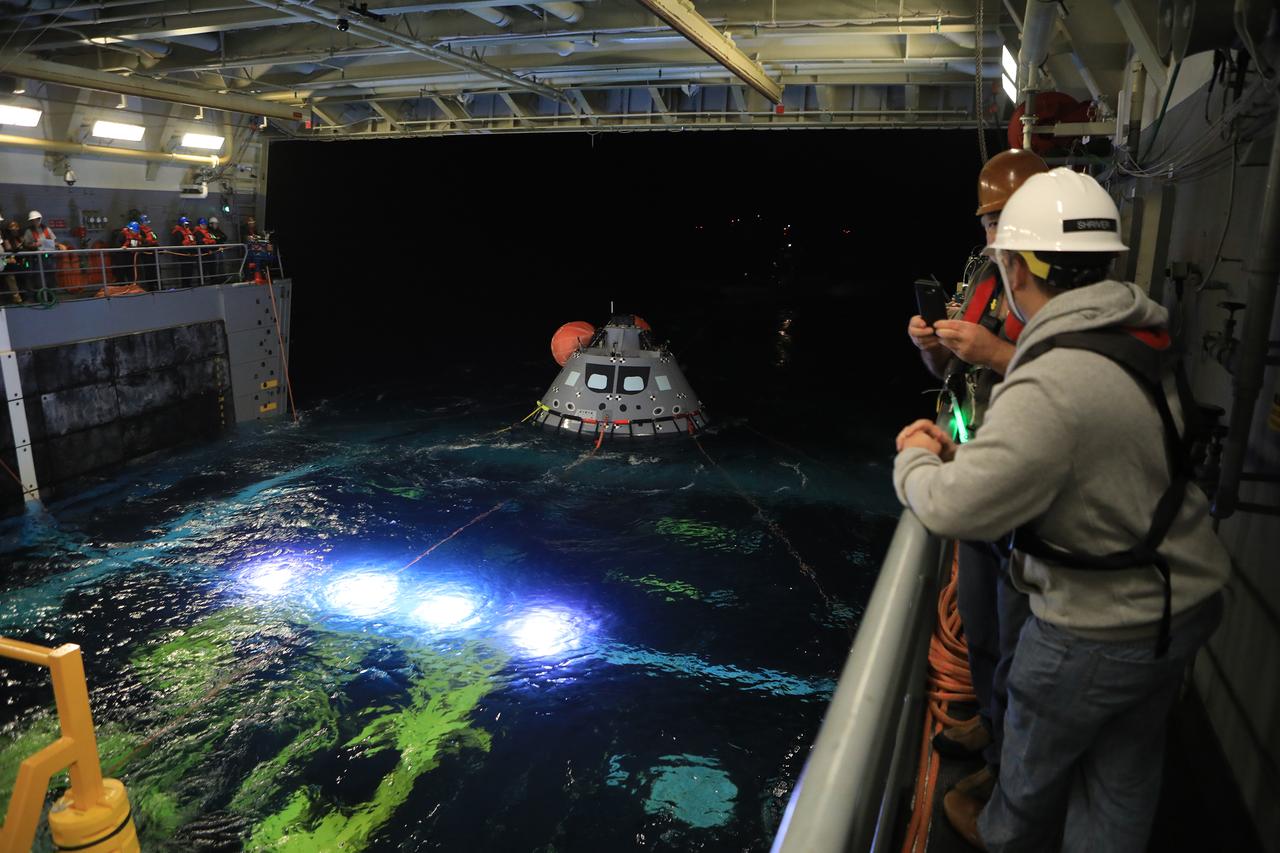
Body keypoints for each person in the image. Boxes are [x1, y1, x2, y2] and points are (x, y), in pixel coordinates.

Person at [893, 168, 1230, 852]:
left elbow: (953, 507)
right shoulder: (1136, 333)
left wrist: (915, 457)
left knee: (1028, 774)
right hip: (1178, 606)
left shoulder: (1052, 375)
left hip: (1098, 626)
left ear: (1015, 270)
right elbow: (1086, 456)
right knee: (1123, 777)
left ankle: (997, 835)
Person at [905, 148, 1047, 803]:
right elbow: (953, 377)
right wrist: (934, 348)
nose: (992, 234)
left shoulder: (1056, 291)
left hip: (1026, 488)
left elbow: (1068, 380)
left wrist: (992, 349)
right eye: (988, 221)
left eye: (1003, 220)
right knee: (981, 621)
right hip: (979, 471)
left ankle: (1007, 766)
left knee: (1019, 634)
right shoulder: (987, 277)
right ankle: (990, 729)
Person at [21, 211, 60, 295]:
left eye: (36, 220)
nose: (35, 222)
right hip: (37, 258)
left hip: (49, 257)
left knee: (51, 276)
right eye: (33, 220)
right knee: (39, 278)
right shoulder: (28, 231)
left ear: (39, 219)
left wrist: (54, 244)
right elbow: (26, 245)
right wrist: (34, 245)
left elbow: (54, 241)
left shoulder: (47, 229)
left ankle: (52, 295)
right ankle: (41, 296)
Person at [1, 218, 25, 304]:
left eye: (16, 227)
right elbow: (7, 248)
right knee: (9, 276)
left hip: (5, 262)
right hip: (4, 261)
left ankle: (17, 297)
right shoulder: (5, 235)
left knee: (11, 276)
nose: (14, 229)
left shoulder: (17, 237)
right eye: (12, 227)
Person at [170, 215, 196, 287]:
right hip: (183, 255)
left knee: (190, 270)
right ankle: (185, 285)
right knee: (185, 271)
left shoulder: (188, 232)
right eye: (186, 223)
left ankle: (188, 284)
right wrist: (186, 252)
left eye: (188, 224)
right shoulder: (178, 232)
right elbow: (179, 244)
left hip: (190, 255)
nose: (187, 225)